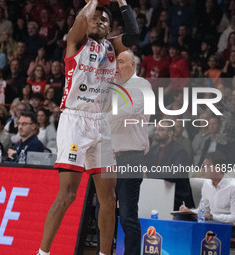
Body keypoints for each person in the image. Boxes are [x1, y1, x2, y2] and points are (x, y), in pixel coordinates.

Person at [38, 0, 139, 254]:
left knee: (109, 197)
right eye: (95, 18)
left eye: (105, 20)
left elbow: (134, 34)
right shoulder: (76, 41)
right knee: (68, 194)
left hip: (101, 123)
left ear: (109, 29)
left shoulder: (112, 47)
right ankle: (42, 252)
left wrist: (122, 3)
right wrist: (93, 2)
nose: (100, 22)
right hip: (75, 120)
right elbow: (79, 23)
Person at [108, 50, 151, 255]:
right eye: (115, 62)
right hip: (108, 156)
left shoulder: (141, 85)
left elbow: (128, 109)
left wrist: (103, 116)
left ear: (133, 65)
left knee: (127, 214)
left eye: (121, 62)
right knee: (103, 212)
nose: (116, 66)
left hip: (131, 156)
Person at [180, 151, 235, 238]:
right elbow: (203, 210)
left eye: (206, 166)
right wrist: (189, 211)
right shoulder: (207, 184)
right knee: (180, 218)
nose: (203, 169)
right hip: (210, 221)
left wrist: (211, 217)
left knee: (205, 226)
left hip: (232, 227)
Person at [144, 122, 195, 211]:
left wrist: (148, 173)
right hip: (157, 195)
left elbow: (173, 174)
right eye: (156, 129)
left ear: (170, 133)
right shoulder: (153, 150)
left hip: (177, 199)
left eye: (161, 130)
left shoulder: (180, 151)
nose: (156, 132)